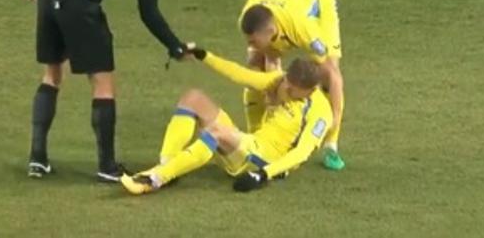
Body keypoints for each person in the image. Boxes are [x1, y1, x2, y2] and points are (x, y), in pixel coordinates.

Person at [20, 0, 190, 182]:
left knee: (52, 74)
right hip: (80, 3)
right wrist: (175, 46)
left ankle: (37, 159)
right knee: (103, 82)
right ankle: (107, 167)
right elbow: (148, 12)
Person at [120, 47, 332, 194]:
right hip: (251, 144)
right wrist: (205, 56)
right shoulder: (282, 81)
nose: (287, 91)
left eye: (293, 91)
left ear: (311, 90)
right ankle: (167, 166)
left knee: (216, 132)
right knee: (193, 98)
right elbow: (240, 75)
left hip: (266, 160)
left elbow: (301, 153)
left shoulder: (320, 112)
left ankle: (156, 179)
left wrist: (263, 175)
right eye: (287, 85)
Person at [239, 0, 346, 170]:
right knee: (254, 65)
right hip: (281, 6)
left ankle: (331, 145)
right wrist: (274, 97)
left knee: (327, 69)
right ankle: (257, 134)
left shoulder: (303, 30)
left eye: (253, 41)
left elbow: (332, 75)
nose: (250, 44)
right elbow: (271, 62)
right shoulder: (248, 18)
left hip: (316, 2)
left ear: (270, 32)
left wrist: (332, 124)